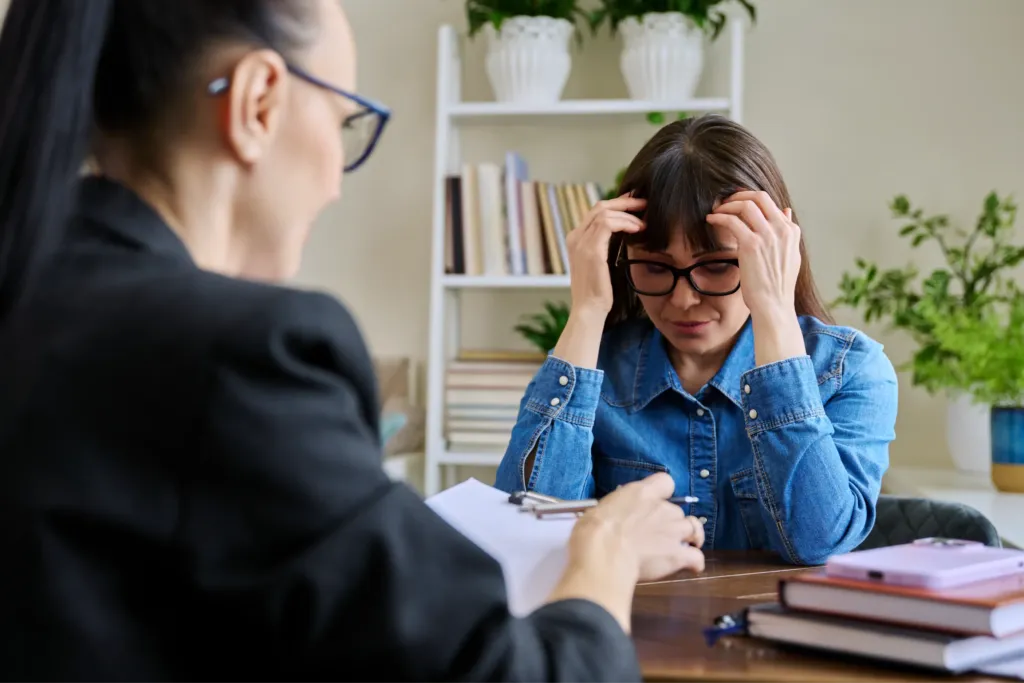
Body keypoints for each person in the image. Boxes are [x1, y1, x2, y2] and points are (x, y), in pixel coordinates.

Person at [0, 1, 708, 681]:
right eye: (345, 123)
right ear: (258, 102)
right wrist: (603, 556)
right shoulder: (242, 357)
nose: (337, 185)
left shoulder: (37, 306)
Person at [494, 114, 900, 567]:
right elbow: (526, 538)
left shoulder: (849, 370)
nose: (683, 299)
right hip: (629, 632)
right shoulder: (590, 374)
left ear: (772, 251)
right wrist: (587, 309)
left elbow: (818, 541)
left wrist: (775, 312)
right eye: (654, 266)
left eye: (717, 266)